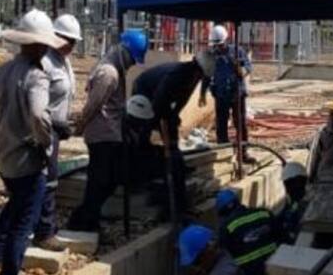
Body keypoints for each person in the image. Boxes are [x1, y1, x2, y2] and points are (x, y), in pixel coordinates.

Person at [0, 9, 66, 275]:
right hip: (26, 161)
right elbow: (37, 114)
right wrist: (45, 143)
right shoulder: (36, 76)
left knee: (15, 206)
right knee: (23, 224)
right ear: (39, 44)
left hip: (3, 156)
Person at [65, 28, 148, 233]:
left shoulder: (113, 69)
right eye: (132, 59)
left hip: (110, 133)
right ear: (124, 51)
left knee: (107, 180)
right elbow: (93, 105)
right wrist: (80, 127)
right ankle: (81, 221)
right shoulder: (108, 73)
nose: (131, 64)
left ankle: (89, 219)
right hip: (102, 135)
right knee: (100, 181)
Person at [131, 52, 216, 217]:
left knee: (171, 128)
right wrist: (164, 125)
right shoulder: (176, 75)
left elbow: (183, 98)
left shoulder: (194, 77)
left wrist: (175, 114)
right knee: (146, 125)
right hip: (144, 89)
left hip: (159, 95)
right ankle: (139, 163)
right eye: (202, 75)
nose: (201, 79)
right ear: (197, 69)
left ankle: (175, 161)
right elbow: (158, 103)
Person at [32, 14, 80, 252]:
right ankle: (44, 232)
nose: (71, 46)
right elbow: (37, 105)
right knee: (47, 180)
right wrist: (54, 124)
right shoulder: (45, 62)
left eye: (74, 42)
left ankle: (40, 225)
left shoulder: (64, 61)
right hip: (43, 130)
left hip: (55, 130)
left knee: (50, 179)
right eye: (68, 40)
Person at [215, 187, 279, 275]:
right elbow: (283, 238)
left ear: (223, 212)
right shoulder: (264, 213)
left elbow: (222, 257)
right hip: (277, 270)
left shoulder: (226, 228)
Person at [208, 24, 253, 145]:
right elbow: (208, 75)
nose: (219, 47)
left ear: (226, 40)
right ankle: (223, 149)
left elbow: (246, 70)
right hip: (221, 94)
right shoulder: (212, 55)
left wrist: (238, 67)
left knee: (240, 123)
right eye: (216, 45)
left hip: (237, 93)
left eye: (220, 44)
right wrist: (211, 90)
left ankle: (243, 151)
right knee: (221, 124)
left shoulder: (238, 51)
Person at [279, 161, 308, 243]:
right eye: (287, 184)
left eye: (292, 183)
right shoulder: (292, 203)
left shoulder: (308, 204)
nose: (289, 189)